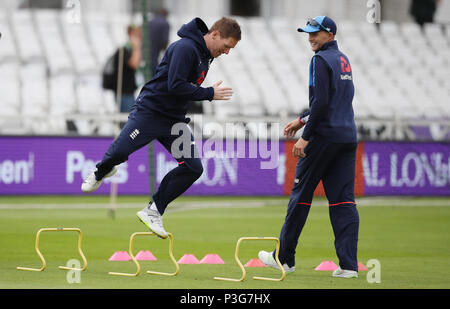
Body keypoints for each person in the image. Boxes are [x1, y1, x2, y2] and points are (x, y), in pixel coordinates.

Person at [82, 17, 241, 239]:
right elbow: (175, 85)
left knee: (193, 168)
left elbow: (184, 86)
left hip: (174, 121)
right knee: (118, 153)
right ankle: (101, 171)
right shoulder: (185, 48)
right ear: (215, 35)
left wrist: (205, 92)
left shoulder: (205, 56)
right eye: (226, 46)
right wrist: (208, 94)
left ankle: (154, 210)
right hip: (150, 113)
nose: (227, 52)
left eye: (230, 49)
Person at [258, 16, 360, 278]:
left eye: (315, 33)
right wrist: (302, 120)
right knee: (343, 200)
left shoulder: (319, 60)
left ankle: (284, 259)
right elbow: (340, 99)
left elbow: (322, 103)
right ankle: (349, 266)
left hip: (323, 136)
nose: (310, 38)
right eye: (308, 33)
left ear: (330, 34)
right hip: (346, 136)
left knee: (301, 195)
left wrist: (306, 135)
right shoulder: (342, 59)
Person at [148, 8, 170, 76]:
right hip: (156, 51)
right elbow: (165, 40)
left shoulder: (150, 21)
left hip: (146, 50)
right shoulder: (165, 23)